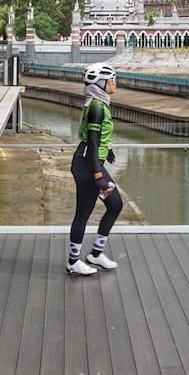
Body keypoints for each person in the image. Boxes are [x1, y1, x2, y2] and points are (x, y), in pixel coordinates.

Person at [66, 62, 123, 276]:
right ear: (100, 83)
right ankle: (73, 262)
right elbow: (91, 140)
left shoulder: (100, 103)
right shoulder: (97, 106)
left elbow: (97, 138)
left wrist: (107, 150)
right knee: (83, 213)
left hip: (92, 162)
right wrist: (98, 175)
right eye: (111, 80)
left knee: (115, 204)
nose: (115, 84)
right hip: (87, 166)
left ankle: (95, 254)